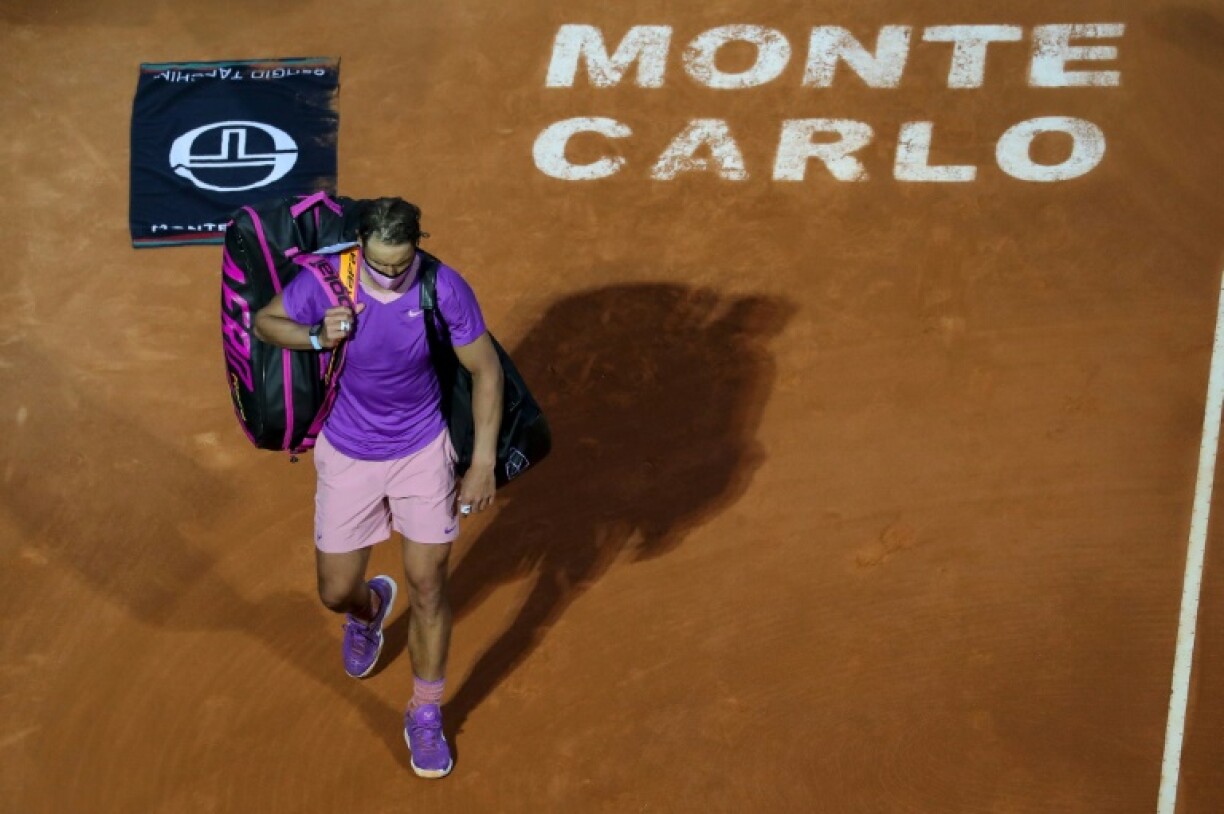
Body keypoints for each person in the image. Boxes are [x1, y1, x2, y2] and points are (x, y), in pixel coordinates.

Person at [252, 197, 503, 778]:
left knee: (430, 586)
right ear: (360, 244)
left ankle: (426, 711)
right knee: (335, 591)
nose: (392, 274)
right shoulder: (327, 281)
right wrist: (316, 335)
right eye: (380, 264)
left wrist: (483, 461)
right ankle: (368, 612)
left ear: (417, 243)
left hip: (421, 452)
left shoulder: (443, 287)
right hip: (347, 454)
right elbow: (265, 322)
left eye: (402, 262)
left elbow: (485, 370)